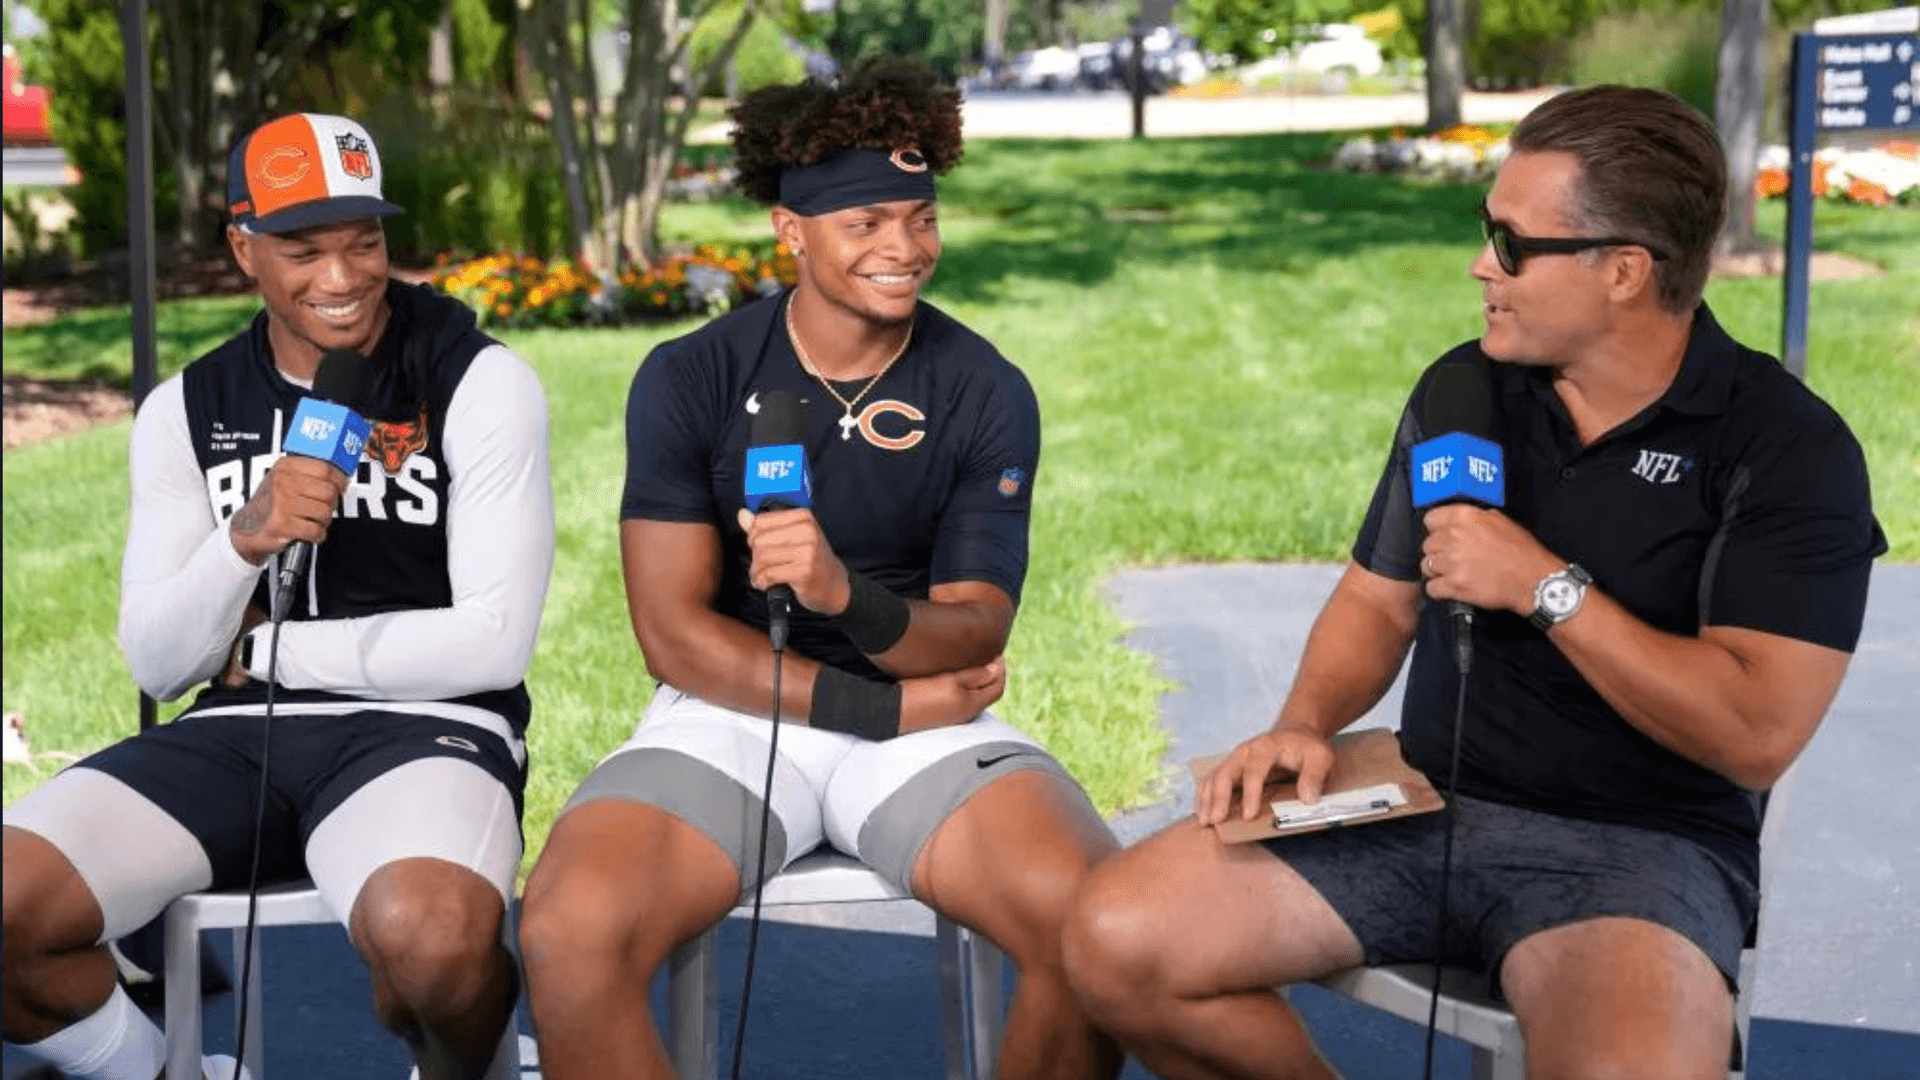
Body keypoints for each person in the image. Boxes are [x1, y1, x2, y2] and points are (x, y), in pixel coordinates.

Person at [1062, 85, 1886, 1080]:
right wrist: (1304, 722)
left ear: (1625, 270)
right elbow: (1377, 597)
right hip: (1418, 797)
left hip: (1638, 849)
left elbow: (1754, 734)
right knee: (1114, 940)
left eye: (1511, 243)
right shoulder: (1466, 386)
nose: (1480, 264)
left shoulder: (1789, 448)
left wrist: (1545, 587)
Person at [516, 57, 1122, 1080]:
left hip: (928, 720)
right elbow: (673, 635)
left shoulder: (983, 387)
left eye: (921, 219)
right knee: (569, 931)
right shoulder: (693, 374)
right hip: (737, 710)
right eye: (867, 223)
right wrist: (875, 708)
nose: (905, 249)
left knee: (1096, 920)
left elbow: (975, 629)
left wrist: (846, 598)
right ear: (790, 231)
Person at [2, 113, 555, 1080]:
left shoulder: (478, 380)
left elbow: (494, 642)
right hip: (233, 735)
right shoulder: (187, 407)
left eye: (364, 244)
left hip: (427, 726)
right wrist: (241, 542)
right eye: (303, 251)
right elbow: (159, 663)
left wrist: (263, 651)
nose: (342, 278)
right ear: (243, 248)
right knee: (11, 908)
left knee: (432, 948)